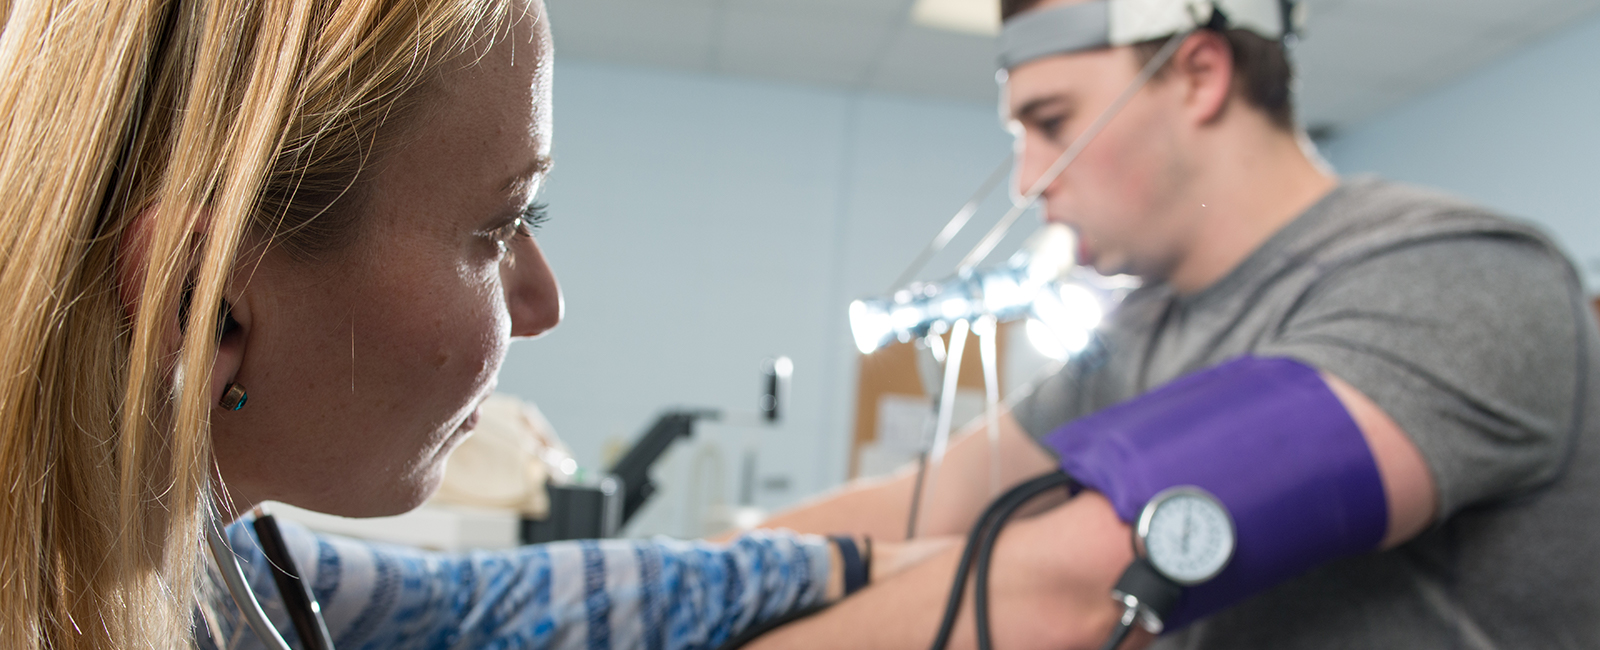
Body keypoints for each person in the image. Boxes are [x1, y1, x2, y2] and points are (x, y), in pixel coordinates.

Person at [0, 1, 928, 648]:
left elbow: (486, 612)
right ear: (200, 303)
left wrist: (870, 564)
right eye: (497, 229)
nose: (543, 304)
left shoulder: (193, 571)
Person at [741, 0, 1600, 648]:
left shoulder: (1455, 279)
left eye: (1052, 124)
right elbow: (932, 502)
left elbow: (1081, 584)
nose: (1028, 182)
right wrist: (662, 581)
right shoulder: (1147, 325)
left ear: (1199, 73)